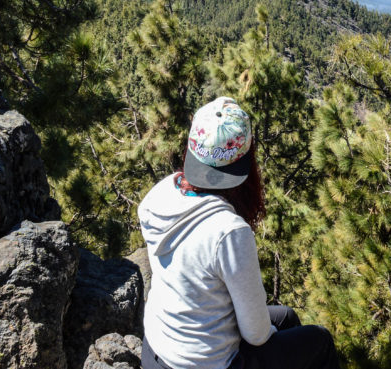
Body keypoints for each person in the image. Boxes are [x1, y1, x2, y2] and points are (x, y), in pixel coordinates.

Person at [138, 96, 340, 369]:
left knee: (287, 317)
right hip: (204, 364)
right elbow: (256, 335)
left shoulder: (160, 194)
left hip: (157, 350)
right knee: (321, 341)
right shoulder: (228, 231)